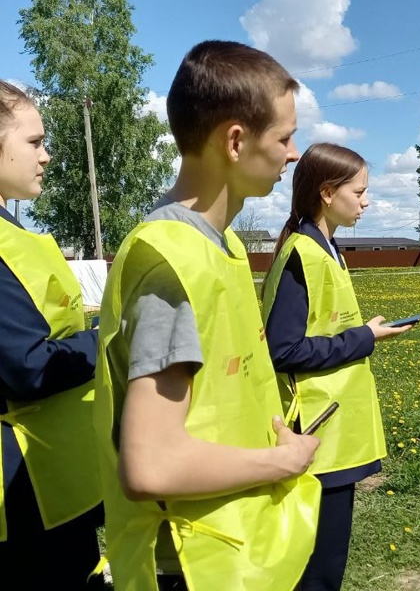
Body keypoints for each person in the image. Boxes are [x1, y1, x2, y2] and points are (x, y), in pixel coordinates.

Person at [93, 41, 322, 590]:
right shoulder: (171, 263)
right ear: (236, 141)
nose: (294, 155)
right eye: (285, 138)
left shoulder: (225, 247)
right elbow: (151, 467)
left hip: (237, 551)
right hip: (191, 568)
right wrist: (284, 461)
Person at [262, 143, 413, 590]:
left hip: (337, 433)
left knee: (328, 564)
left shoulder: (328, 249)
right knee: (318, 573)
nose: (366, 202)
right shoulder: (302, 254)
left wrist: (363, 334)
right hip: (316, 435)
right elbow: (282, 350)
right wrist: (364, 337)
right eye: (360, 191)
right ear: (327, 192)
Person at [0, 80, 103, 588]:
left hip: (51, 475)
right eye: (34, 142)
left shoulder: (12, 232)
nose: (46, 156)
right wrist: (111, 338)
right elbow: (28, 366)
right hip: (23, 486)